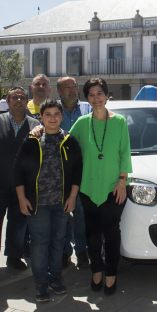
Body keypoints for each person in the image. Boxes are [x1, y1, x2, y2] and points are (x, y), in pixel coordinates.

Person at [15, 99, 83, 302]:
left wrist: (72, 197)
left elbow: (77, 171)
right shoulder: (31, 140)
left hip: (61, 202)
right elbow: (18, 171)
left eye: (56, 114)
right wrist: (21, 198)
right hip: (37, 203)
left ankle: (55, 278)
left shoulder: (70, 141)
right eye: (48, 114)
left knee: (57, 241)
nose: (52, 118)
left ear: (62, 117)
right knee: (39, 242)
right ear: (41, 117)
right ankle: (40, 283)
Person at [68, 78, 132, 295]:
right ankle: (96, 271)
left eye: (99, 93)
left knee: (112, 232)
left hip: (115, 187)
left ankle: (111, 274)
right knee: (92, 233)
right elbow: (64, 142)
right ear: (87, 98)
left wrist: (123, 181)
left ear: (107, 95)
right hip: (88, 187)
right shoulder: (82, 123)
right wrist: (40, 129)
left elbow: (125, 152)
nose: (96, 98)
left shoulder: (120, 121)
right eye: (91, 95)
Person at [0, 87, 40, 273]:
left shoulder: (36, 125)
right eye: (14, 97)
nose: (18, 100)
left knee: (18, 223)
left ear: (27, 101)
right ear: (7, 101)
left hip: (23, 186)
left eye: (22, 97)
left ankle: (14, 257)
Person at [57, 76, 93, 269]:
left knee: (80, 214)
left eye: (74, 86)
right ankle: (64, 252)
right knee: (62, 215)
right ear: (59, 92)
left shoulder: (88, 109)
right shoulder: (53, 110)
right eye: (67, 87)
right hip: (59, 173)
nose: (72, 90)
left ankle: (82, 251)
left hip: (83, 172)